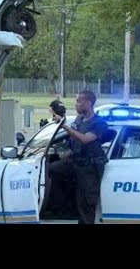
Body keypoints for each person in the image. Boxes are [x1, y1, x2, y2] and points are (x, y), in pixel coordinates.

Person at [48, 90, 108, 224]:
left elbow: (85, 139)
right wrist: (64, 155)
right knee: (50, 169)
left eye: (79, 101)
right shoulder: (78, 120)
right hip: (75, 162)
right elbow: (74, 142)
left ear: (88, 103)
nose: (76, 104)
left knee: (86, 204)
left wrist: (63, 124)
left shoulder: (99, 123)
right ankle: (60, 208)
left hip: (89, 169)